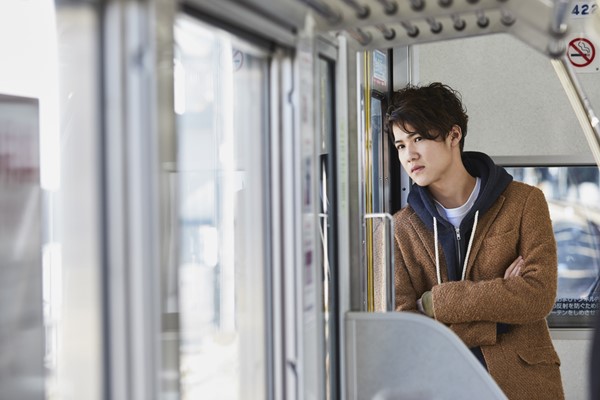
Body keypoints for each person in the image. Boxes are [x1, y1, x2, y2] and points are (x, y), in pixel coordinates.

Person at [385, 82, 564, 399]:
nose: (409, 155)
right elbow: (407, 331)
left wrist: (435, 303)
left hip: (523, 385)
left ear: (454, 135)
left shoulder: (524, 202)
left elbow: (538, 295)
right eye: (400, 145)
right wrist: (500, 317)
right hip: (442, 386)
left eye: (419, 138)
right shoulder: (400, 228)